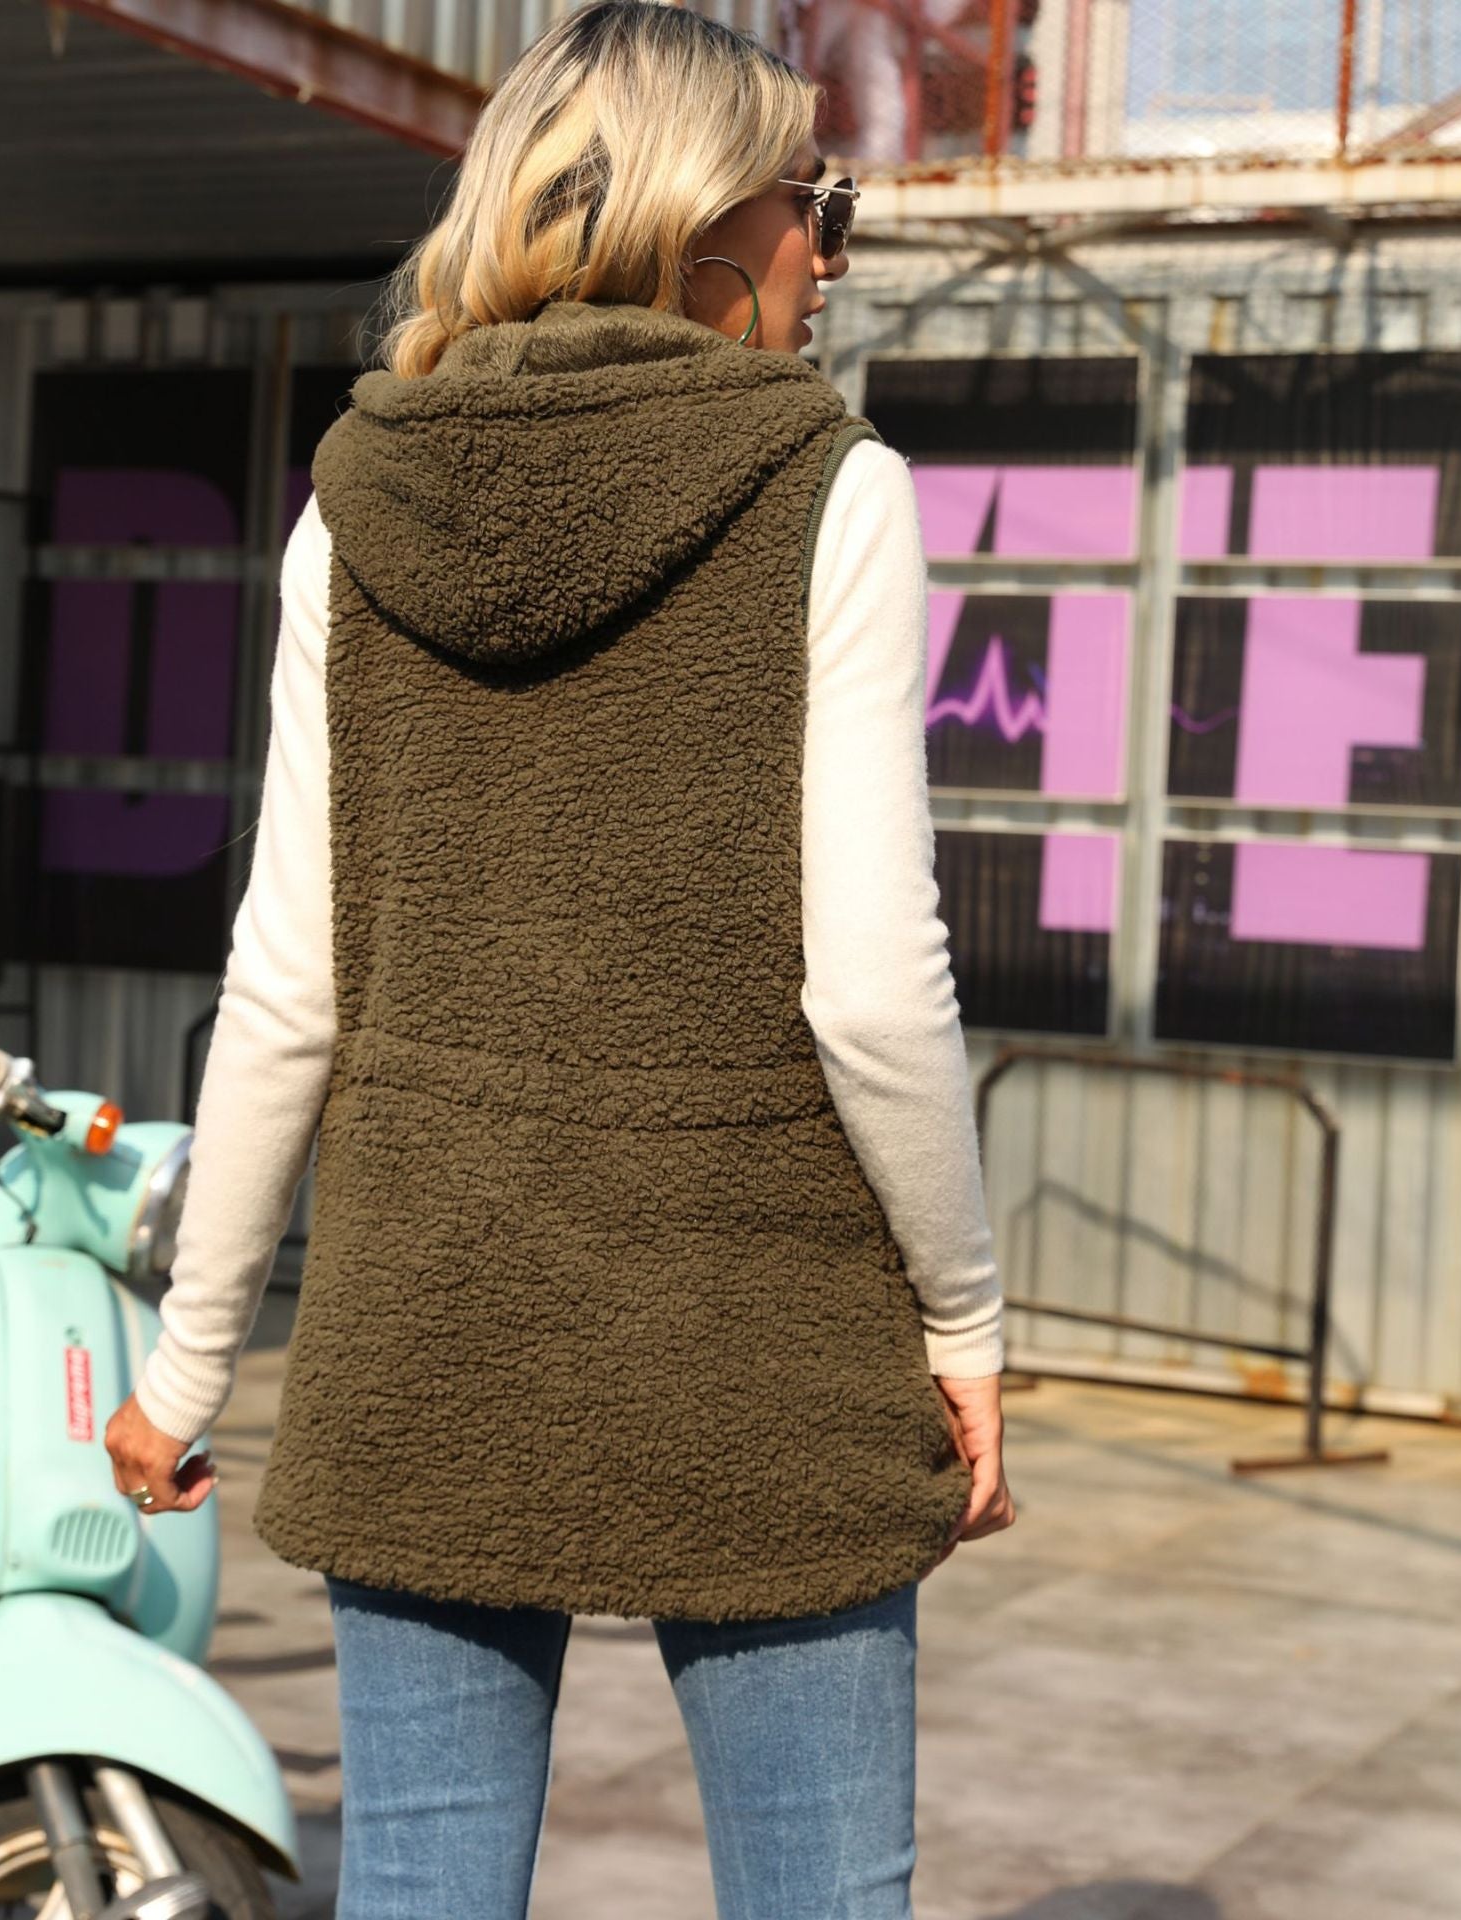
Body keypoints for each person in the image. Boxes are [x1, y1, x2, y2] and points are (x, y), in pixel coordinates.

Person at [106, 4, 1014, 1914]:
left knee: (422, 1878)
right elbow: (870, 984)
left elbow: (288, 984)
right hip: (762, 1327)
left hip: (426, 1306)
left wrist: (185, 1372)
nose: (833, 251)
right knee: (822, 1891)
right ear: (704, 221)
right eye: (818, 202)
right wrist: (963, 1320)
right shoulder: (827, 484)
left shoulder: (356, 501)